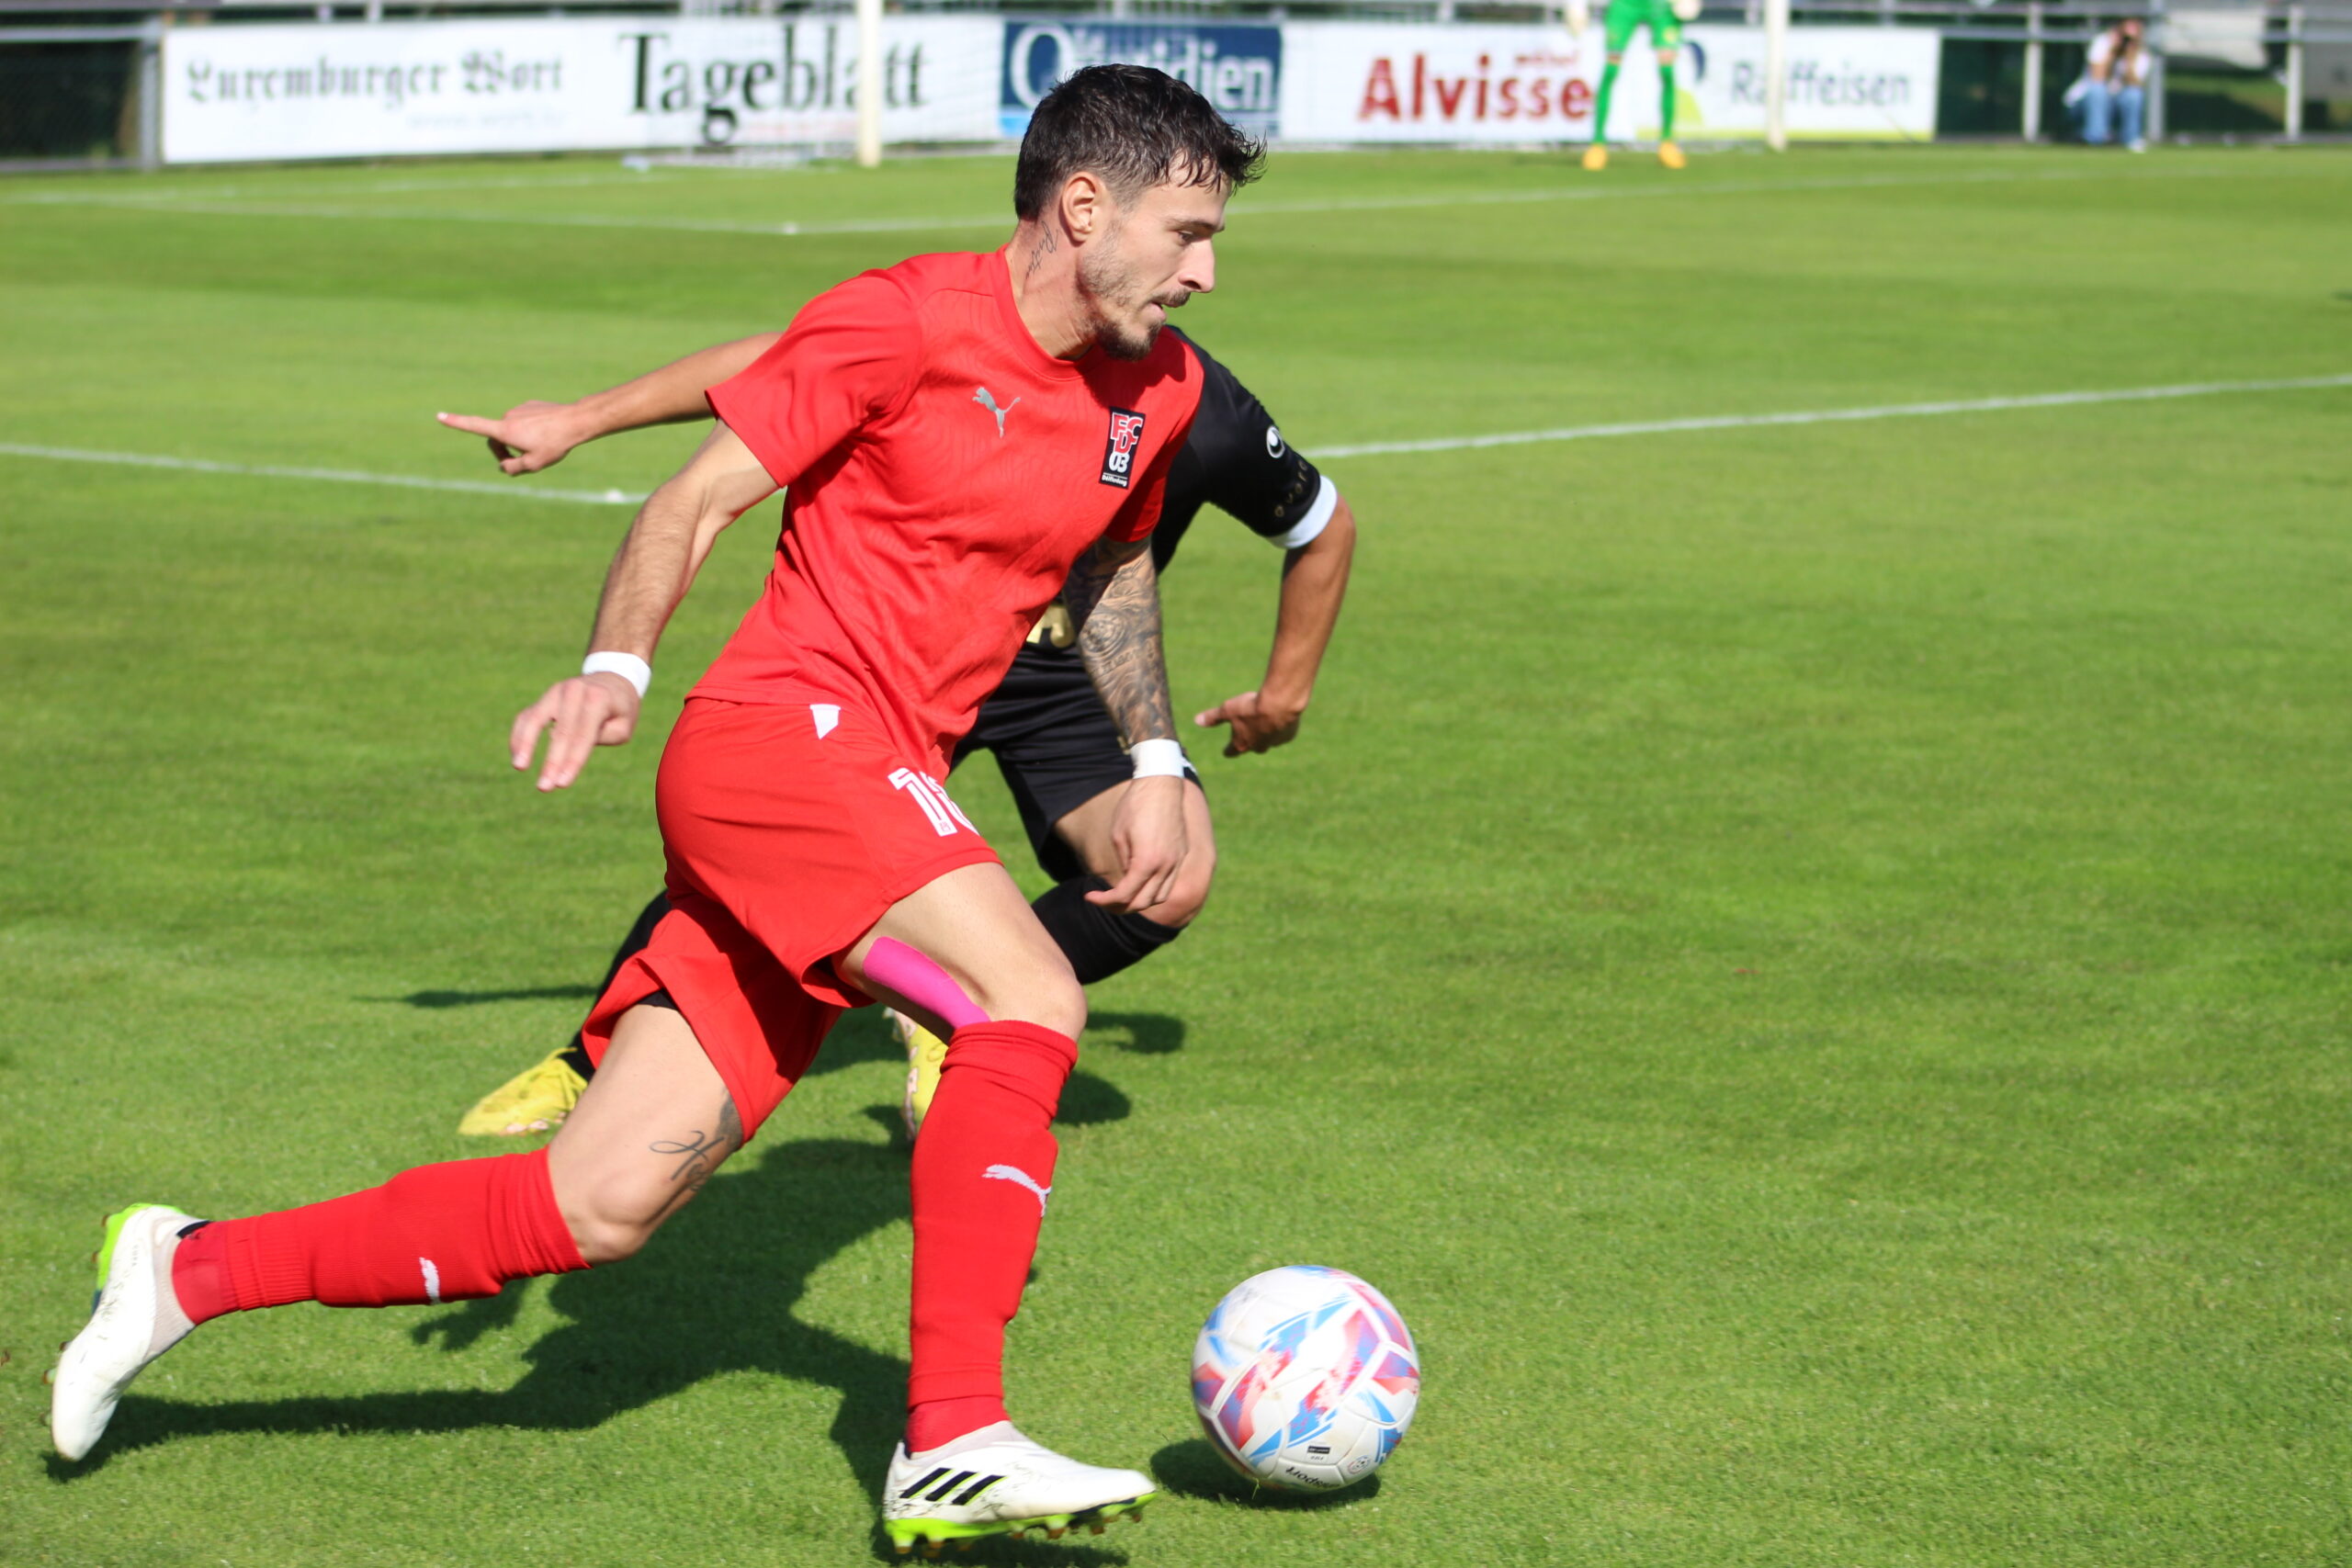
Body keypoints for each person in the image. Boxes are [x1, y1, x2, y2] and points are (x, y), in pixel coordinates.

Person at [51, 64, 1262, 1555]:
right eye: (1187, 228)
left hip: (866, 790)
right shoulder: (905, 317)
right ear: (1085, 207)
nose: (1206, 268)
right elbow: (694, 499)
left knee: (599, 1203)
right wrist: (611, 666)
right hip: (778, 739)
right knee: (1024, 995)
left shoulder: (1164, 387)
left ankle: (182, 1269)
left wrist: (1152, 761)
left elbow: (1116, 564)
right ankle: (949, 1435)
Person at [437, 326, 1355, 1140]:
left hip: (1068, 676)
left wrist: (1285, 694)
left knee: (1170, 873)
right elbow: (776, 361)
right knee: (757, 875)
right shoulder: (957, 337)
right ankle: (585, 1064)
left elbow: (1323, 525)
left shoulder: (1198, 402)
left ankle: (947, 1009)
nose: (1197, 277)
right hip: (904, 655)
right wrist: (581, 419)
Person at [1578, 0, 1699, 171]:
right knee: (1611, 70)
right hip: (1625, 4)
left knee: (1667, 71)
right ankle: (1597, 144)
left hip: (1661, 5)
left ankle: (1667, 142)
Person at [2067, 17, 2151, 151]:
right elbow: (2097, 77)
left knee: (2134, 95)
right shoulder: (2102, 42)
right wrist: (2112, 51)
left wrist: (2129, 57)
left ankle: (2131, 139)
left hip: (2116, 103)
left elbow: (2135, 84)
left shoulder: (2141, 53)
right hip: (2083, 103)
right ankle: (2095, 138)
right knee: (2098, 91)